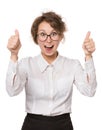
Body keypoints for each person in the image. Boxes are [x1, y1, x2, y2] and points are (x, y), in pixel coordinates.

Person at [6, 11, 97, 130]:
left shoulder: (72, 65)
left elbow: (90, 91)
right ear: (36, 38)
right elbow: (11, 91)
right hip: (33, 125)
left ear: (60, 37)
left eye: (54, 34)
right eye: (43, 34)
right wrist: (14, 55)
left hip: (63, 125)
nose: (48, 40)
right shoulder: (26, 64)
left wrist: (88, 56)